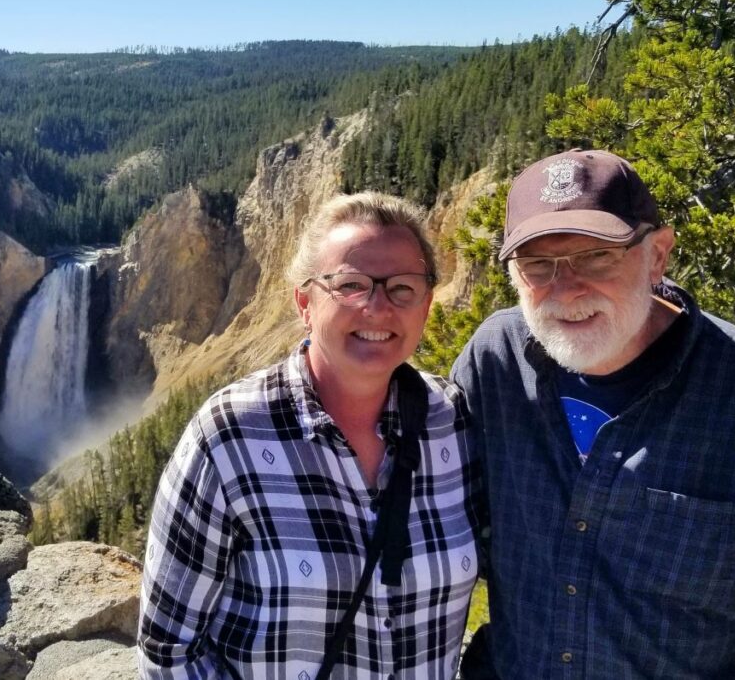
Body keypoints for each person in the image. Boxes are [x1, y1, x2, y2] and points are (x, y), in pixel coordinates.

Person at [452, 149, 735, 678]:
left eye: (596, 256)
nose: (566, 288)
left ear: (657, 254)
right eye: (539, 265)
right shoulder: (495, 362)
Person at [138, 192, 481, 679]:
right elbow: (167, 649)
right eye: (351, 285)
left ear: (426, 304)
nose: (377, 307)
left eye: (402, 288)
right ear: (305, 303)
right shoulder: (230, 438)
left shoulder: (452, 423)